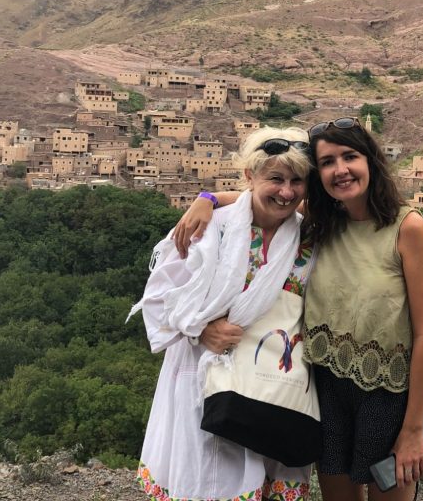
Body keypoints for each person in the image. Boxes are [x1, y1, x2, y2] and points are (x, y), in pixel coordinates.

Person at [175, 116, 423, 501]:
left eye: (349, 156)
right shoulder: (322, 222)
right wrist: (208, 198)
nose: (340, 170)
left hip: (388, 397)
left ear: (370, 161)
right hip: (327, 391)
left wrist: (413, 429)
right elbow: (265, 200)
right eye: (328, 162)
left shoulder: (407, 228)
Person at [131, 126, 316, 501]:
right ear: (250, 176)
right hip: (204, 379)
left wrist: (210, 194)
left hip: (273, 387)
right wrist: (200, 330)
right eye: (276, 179)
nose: (286, 192)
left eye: (297, 181)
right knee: (209, 479)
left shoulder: (308, 240)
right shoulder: (208, 227)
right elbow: (160, 297)